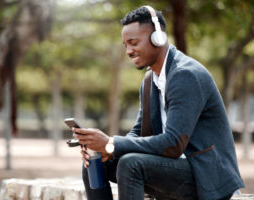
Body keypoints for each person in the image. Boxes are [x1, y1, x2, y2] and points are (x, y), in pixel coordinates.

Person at [73, 5, 244, 200]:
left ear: (158, 37)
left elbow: (173, 143)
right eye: (125, 45)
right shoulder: (149, 80)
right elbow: (137, 133)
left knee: (131, 163)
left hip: (206, 175)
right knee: (95, 162)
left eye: (133, 42)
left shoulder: (185, 75)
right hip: (175, 169)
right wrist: (105, 150)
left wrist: (112, 143)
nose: (128, 51)